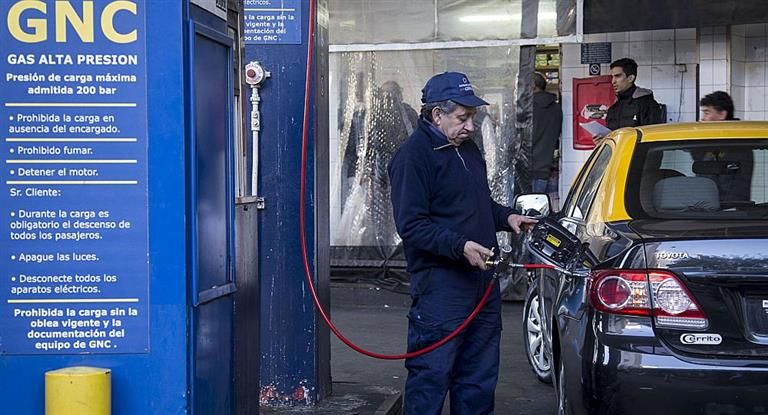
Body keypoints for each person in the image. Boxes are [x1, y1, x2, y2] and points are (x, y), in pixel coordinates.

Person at [388, 71, 537, 415]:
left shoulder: (466, 149)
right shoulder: (414, 157)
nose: (471, 126)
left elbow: (477, 202)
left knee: (477, 380)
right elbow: (412, 226)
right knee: (431, 378)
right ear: (436, 114)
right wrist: (461, 246)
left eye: (472, 117)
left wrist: (507, 217)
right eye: (463, 117)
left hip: (482, 286)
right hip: (442, 290)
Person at [696, 91, 753, 202]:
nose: (702, 119)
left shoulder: (737, 145)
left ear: (722, 114)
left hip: (729, 210)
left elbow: (722, 183)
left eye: (707, 113)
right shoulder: (714, 143)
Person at [597, 58, 661, 143]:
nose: (613, 81)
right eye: (612, 77)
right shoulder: (614, 108)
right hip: (619, 155)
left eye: (617, 76)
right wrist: (603, 141)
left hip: (637, 156)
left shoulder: (646, 104)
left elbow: (654, 139)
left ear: (630, 78)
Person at [532, 72, 562, 193]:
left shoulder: (527, 108)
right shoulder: (556, 108)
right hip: (547, 168)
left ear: (533, 85)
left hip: (529, 170)